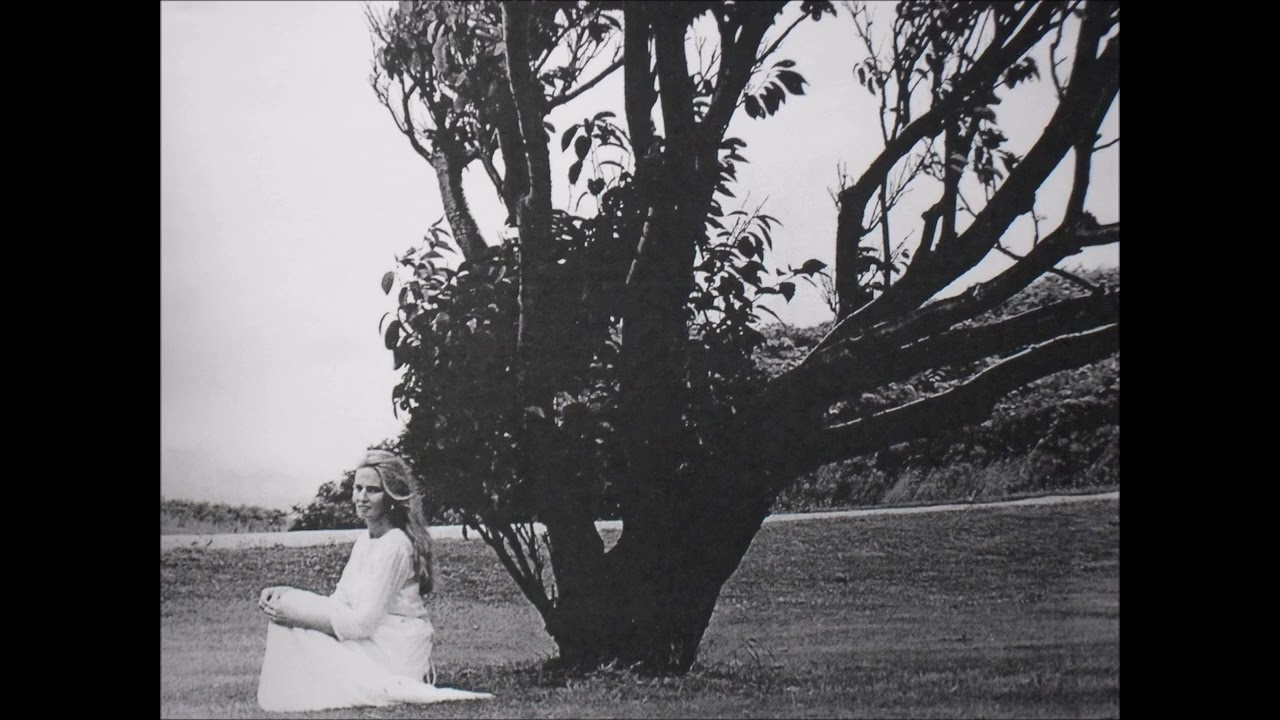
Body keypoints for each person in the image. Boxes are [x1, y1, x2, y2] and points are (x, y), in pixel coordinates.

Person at [255, 449, 493, 712]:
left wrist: (297, 617)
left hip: (394, 648)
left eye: (372, 490)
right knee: (287, 603)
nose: (361, 497)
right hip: (371, 636)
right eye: (358, 488)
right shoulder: (364, 542)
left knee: (293, 620)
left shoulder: (396, 545)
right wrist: (287, 593)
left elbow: (362, 624)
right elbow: (338, 602)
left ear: (391, 497)